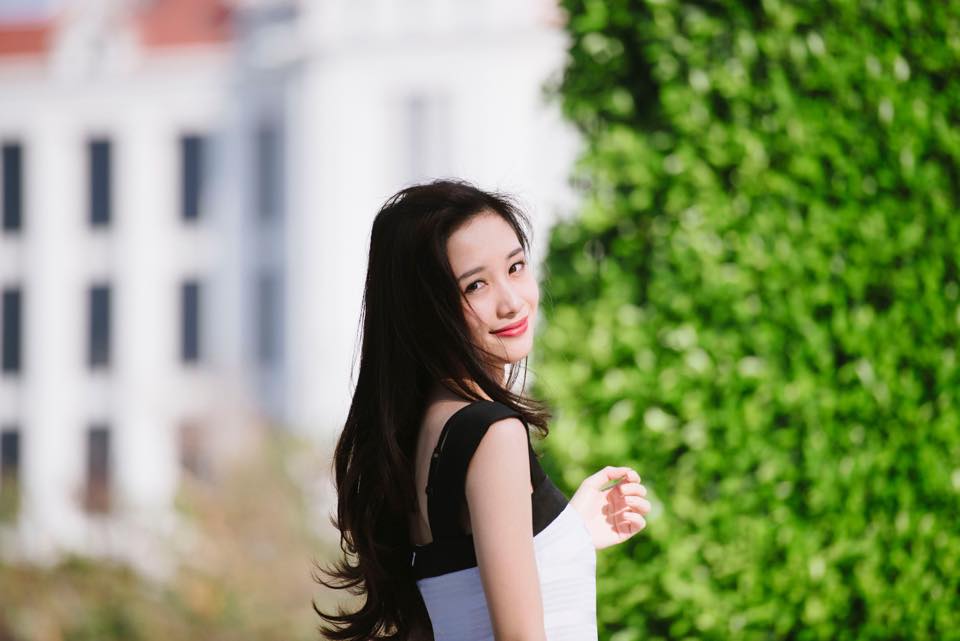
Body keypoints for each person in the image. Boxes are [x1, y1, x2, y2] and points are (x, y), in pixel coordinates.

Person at [314, 180, 651, 641]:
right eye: (476, 285)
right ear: (424, 309)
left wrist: (566, 536)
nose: (511, 302)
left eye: (515, 267)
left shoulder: (420, 431)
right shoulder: (493, 434)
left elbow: (458, 596)